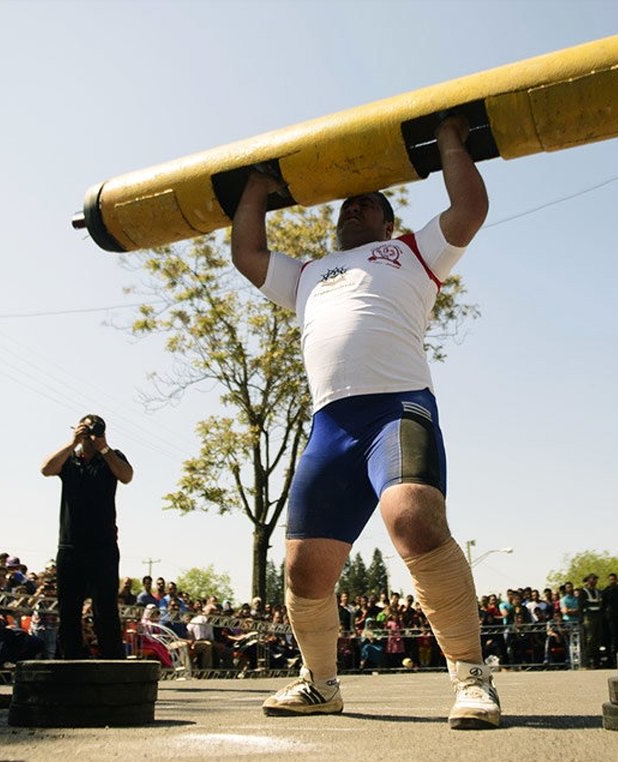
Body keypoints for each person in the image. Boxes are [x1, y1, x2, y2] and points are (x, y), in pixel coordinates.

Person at [231, 114, 495, 729]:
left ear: (387, 223)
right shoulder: (304, 276)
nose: (354, 207)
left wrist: (451, 137)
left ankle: (472, 679)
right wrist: (255, 187)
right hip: (330, 427)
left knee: (414, 522)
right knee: (301, 568)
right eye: (347, 204)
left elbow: (469, 208)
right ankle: (320, 683)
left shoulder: (411, 252)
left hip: (395, 408)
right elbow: (247, 253)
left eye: (368, 203)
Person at [40, 413, 133, 659]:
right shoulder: (69, 460)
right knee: (69, 609)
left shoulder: (111, 457)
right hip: (71, 547)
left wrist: (103, 447)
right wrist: (72, 442)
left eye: (95, 431)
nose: (91, 436)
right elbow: (46, 469)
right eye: (87, 430)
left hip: (103, 547)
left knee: (105, 609)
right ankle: (69, 664)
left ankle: (112, 663)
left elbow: (126, 476)